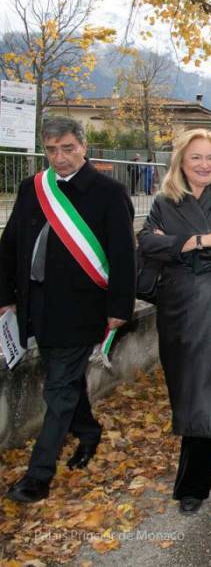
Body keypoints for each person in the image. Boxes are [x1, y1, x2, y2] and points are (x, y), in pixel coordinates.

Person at [0, 117, 135, 504]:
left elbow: (124, 256)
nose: (59, 158)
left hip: (82, 308)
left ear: (83, 147)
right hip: (36, 304)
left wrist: (118, 308)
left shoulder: (109, 192)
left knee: (58, 387)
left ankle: (37, 476)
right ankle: (88, 432)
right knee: (68, 380)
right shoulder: (33, 188)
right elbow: (10, 244)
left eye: (68, 149)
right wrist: (4, 295)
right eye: (52, 150)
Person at [137, 129, 211, 513]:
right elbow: (146, 243)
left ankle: (193, 487)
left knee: (209, 387)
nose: (204, 165)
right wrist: (199, 241)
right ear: (181, 162)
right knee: (184, 386)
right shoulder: (164, 200)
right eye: (196, 157)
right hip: (177, 308)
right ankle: (208, 442)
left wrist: (175, 246)